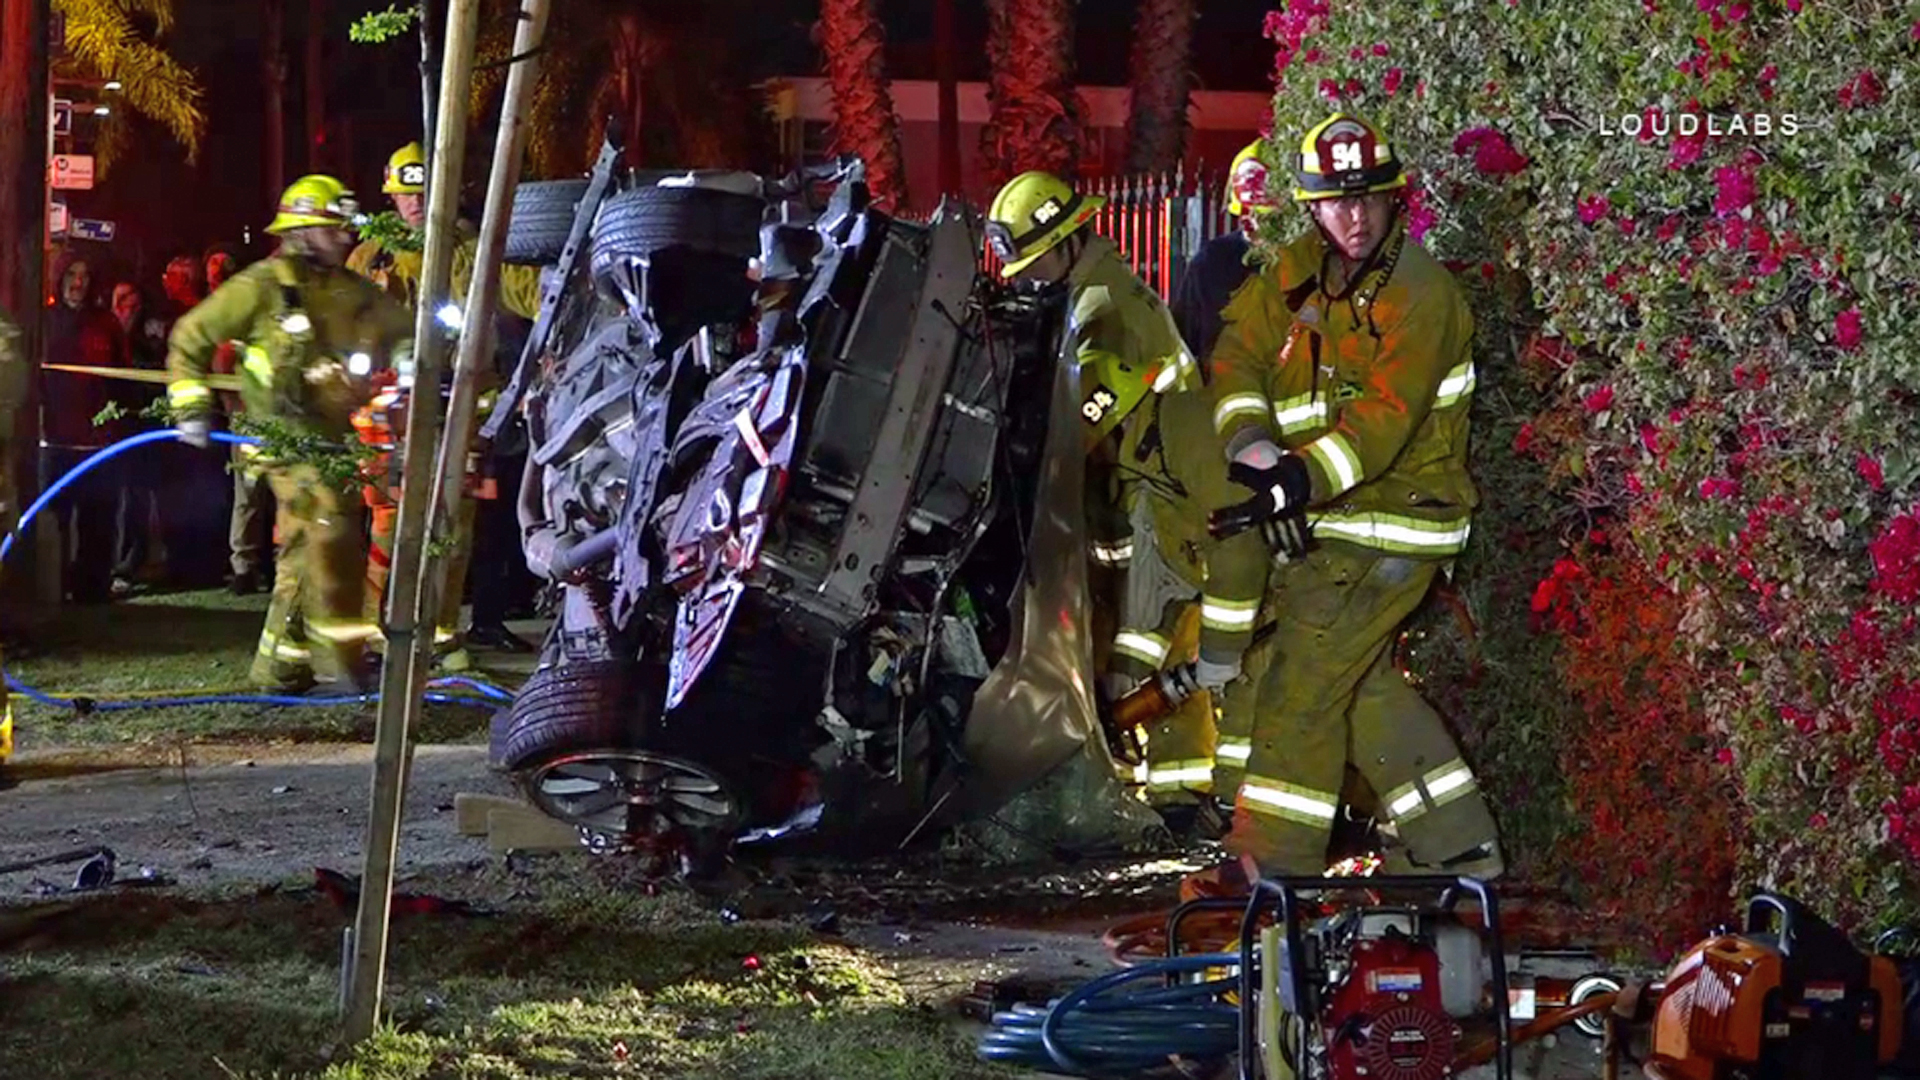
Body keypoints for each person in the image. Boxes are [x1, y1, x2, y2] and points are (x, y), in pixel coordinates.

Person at [1201, 112, 1501, 884]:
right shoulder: (1300, 274)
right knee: (1358, 685)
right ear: (1311, 207)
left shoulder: (1421, 293)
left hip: (1402, 520)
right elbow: (1235, 359)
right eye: (1336, 202)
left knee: (1304, 676)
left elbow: (1381, 424)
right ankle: (1459, 852)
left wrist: (1293, 483)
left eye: (1368, 197)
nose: (1354, 216)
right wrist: (1252, 446)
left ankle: (1271, 869)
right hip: (1339, 520)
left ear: (1394, 198)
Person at [986, 171, 1230, 820]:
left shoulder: (1108, 310)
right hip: (1134, 494)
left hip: (1167, 496)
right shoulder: (1081, 295)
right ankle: (1169, 792)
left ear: (1070, 241)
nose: (1032, 281)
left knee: (1152, 652)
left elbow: (1082, 420)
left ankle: (1184, 802)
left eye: (1038, 266)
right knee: (1138, 647)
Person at [167, 175, 414, 693]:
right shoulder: (260, 287)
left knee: (305, 545)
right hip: (276, 437)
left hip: (331, 436)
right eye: (334, 228)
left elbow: (402, 331)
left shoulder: (350, 289)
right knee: (328, 527)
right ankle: (340, 662)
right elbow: (191, 336)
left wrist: (410, 363)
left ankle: (279, 664)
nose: (346, 236)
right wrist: (191, 406)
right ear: (302, 231)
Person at [347, 141, 544, 667]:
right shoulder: (370, 256)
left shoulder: (473, 251)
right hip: (390, 411)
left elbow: (524, 289)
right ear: (391, 197)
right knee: (389, 525)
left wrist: (564, 285)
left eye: (423, 191)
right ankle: (375, 632)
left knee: (454, 528)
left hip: (461, 406)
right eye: (405, 193)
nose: (414, 203)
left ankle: (440, 633)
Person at [39, 252, 126, 604]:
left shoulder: (106, 324)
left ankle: (92, 588)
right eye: (72, 274)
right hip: (55, 441)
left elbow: (121, 376)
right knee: (52, 521)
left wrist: (115, 421)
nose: (79, 283)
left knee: (99, 520)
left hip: (97, 441)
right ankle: (51, 587)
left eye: (85, 276)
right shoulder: (44, 321)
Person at [1172, 140, 1279, 368]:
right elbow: (1183, 340)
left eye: (1264, 217)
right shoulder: (1212, 262)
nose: (1253, 225)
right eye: (1246, 216)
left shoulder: (1308, 261)